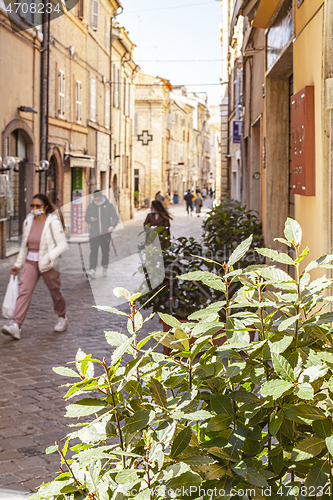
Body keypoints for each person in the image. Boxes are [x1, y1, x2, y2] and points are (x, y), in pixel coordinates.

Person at [1, 194, 68, 340]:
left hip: (49, 264)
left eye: (38, 206)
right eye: (33, 205)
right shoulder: (28, 221)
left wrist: (48, 258)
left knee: (55, 292)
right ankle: (16, 325)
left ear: (45, 207)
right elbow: (24, 245)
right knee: (24, 291)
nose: (35, 208)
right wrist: (18, 264)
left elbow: (63, 244)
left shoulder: (53, 223)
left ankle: (62, 317)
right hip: (31, 261)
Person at [85, 190, 119, 279]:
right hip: (94, 234)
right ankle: (92, 270)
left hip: (105, 234)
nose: (96, 200)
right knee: (93, 252)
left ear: (101, 197)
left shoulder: (108, 205)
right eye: (95, 198)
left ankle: (105, 268)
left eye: (98, 198)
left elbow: (115, 217)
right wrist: (90, 219)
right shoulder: (91, 206)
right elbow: (86, 218)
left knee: (105, 252)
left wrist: (112, 226)